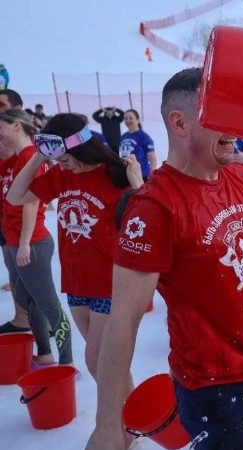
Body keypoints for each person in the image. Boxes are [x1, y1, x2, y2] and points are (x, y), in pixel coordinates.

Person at [86, 68, 243, 450]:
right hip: (217, 389)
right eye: (222, 114)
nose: (235, 128)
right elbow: (122, 322)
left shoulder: (242, 176)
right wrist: (107, 424)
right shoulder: (154, 208)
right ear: (180, 123)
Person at [8, 113, 143, 384]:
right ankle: (127, 409)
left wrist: (138, 184)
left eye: (65, 159)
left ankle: (119, 411)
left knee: (97, 360)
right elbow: (15, 196)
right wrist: (39, 157)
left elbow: (145, 223)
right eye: (58, 160)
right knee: (104, 366)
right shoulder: (63, 175)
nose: (63, 165)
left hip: (108, 282)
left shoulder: (116, 174)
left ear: (81, 149)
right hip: (76, 283)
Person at [0, 109, 73, 366]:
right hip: (14, 241)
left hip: (31, 242)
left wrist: (23, 244)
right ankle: (45, 354)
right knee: (27, 300)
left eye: (0, 127)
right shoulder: (16, 158)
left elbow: (31, 202)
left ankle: (66, 362)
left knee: (48, 304)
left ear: (16, 126)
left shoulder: (31, 157)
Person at [0, 88, 28, 330]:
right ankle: (21, 317)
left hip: (18, 216)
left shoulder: (23, 146)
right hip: (4, 214)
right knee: (11, 264)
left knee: (29, 274)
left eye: (1, 105)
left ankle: (44, 323)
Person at [119, 109, 157, 180]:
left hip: (142, 176)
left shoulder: (144, 137)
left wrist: (153, 174)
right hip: (127, 175)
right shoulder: (123, 137)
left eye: (131, 118)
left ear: (137, 120)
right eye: (126, 118)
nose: (128, 121)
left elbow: (152, 157)